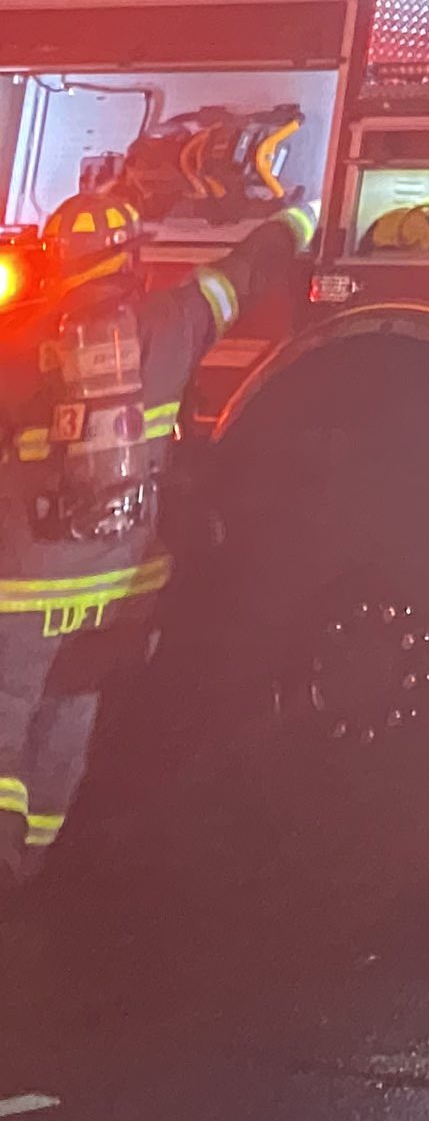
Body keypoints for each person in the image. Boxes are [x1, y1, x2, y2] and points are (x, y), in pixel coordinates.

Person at [0, 121, 313, 882]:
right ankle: (31, 865)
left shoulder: (17, 342)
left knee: (5, 723)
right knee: (71, 714)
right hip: (119, 591)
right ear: (130, 257)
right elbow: (245, 271)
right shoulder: (173, 321)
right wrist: (302, 214)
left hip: (21, 589)